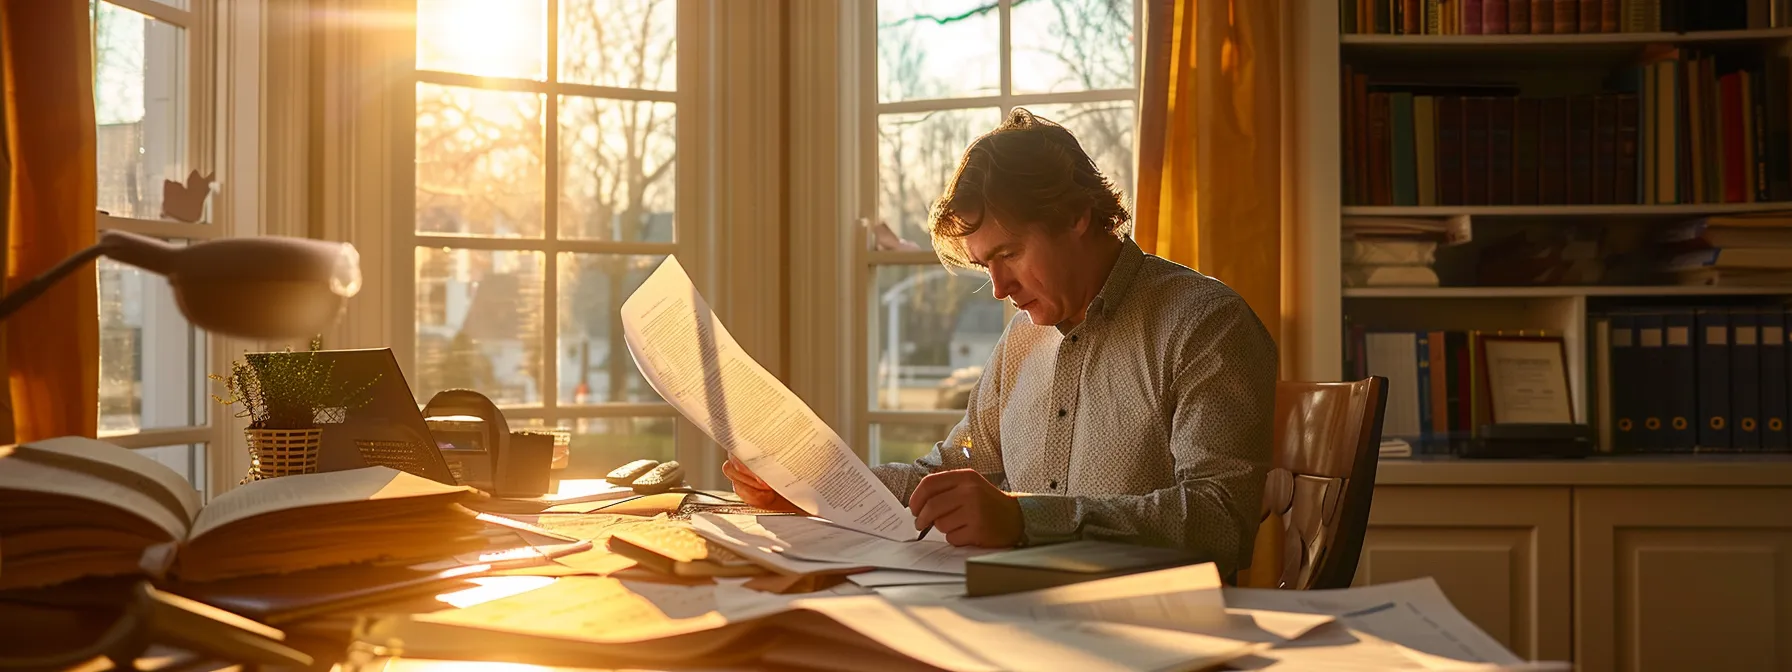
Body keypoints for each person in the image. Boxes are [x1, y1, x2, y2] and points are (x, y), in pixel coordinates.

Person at [725, 109, 1276, 578]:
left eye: (1008, 254)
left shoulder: (1206, 324)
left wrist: (1025, 518)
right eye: (985, 264)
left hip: (1152, 637)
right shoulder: (1022, 339)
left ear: (1076, 215)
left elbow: (1220, 520)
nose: (998, 288)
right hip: (1008, 621)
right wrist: (815, 485)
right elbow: (958, 465)